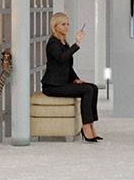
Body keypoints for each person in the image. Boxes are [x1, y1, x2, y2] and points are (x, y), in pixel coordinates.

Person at [41, 12, 101, 142]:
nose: (66, 27)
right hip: (53, 86)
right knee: (87, 90)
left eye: (67, 24)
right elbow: (62, 58)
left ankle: (91, 125)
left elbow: (68, 66)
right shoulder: (53, 43)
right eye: (63, 24)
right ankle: (85, 127)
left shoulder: (63, 43)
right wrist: (77, 44)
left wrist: (75, 79)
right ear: (55, 26)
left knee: (93, 88)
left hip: (63, 82)